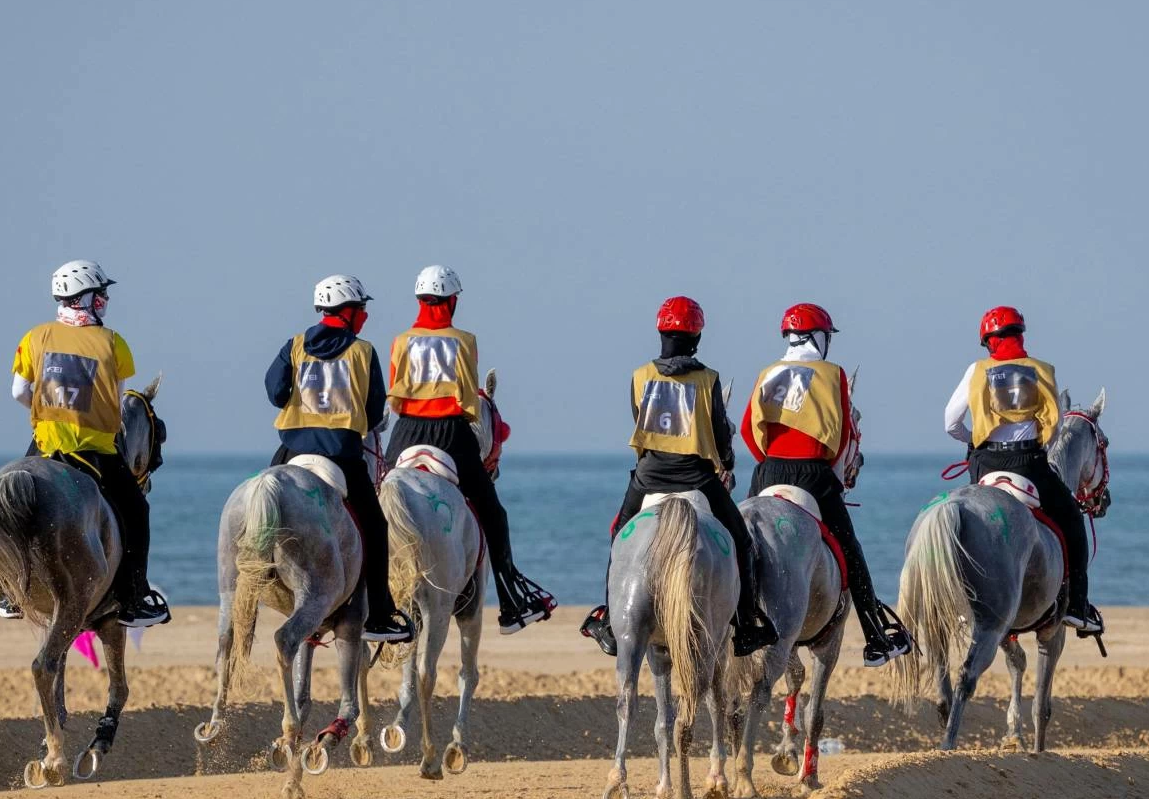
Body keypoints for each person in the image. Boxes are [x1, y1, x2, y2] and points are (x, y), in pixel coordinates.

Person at [581, 296, 779, 659]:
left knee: (618, 534)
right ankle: (747, 621)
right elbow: (720, 434)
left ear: (660, 333)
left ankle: (609, 617)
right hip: (696, 477)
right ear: (696, 337)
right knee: (741, 539)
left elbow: (638, 420)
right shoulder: (708, 379)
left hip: (648, 475)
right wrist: (728, 460)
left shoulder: (640, 376)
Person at [383, 265, 555, 635]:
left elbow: (395, 397)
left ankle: (368, 602)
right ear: (452, 301)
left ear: (419, 300)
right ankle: (512, 601)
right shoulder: (464, 340)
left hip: (405, 432)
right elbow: (468, 398)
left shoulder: (401, 340)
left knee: (376, 501)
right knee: (493, 513)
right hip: (451, 434)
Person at [0, 259, 170, 627]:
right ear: (86, 298)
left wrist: (46, 411)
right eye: (102, 293)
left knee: (13, 503)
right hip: (96, 450)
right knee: (137, 512)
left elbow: (18, 392)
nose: (105, 299)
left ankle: (11, 592)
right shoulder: (113, 343)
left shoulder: (35, 337)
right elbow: (118, 402)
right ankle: (134, 598)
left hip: (44, 444)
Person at [741, 303, 912, 667]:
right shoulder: (833, 374)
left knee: (739, 544)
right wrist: (826, 472)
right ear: (818, 336)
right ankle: (876, 636)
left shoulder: (767, 373)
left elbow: (746, 429)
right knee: (851, 551)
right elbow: (843, 434)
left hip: (767, 472)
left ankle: (738, 621)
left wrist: (770, 461)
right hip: (813, 474)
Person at [264, 274, 415, 644]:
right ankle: (380, 614)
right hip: (342, 453)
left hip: (294, 450)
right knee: (376, 528)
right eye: (361, 308)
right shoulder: (363, 351)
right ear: (347, 311)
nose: (364, 315)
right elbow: (374, 407)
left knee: (263, 510)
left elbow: (274, 392)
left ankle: (262, 580)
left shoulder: (295, 345)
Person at [944, 305, 1102, 635]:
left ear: (988, 341)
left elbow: (950, 422)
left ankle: (957, 598)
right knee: (1072, 518)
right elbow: (1055, 423)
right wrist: (1038, 442)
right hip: (1030, 464)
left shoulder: (977, 370)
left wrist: (973, 442)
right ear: (1020, 334)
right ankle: (1077, 606)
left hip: (986, 463)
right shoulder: (1041, 369)